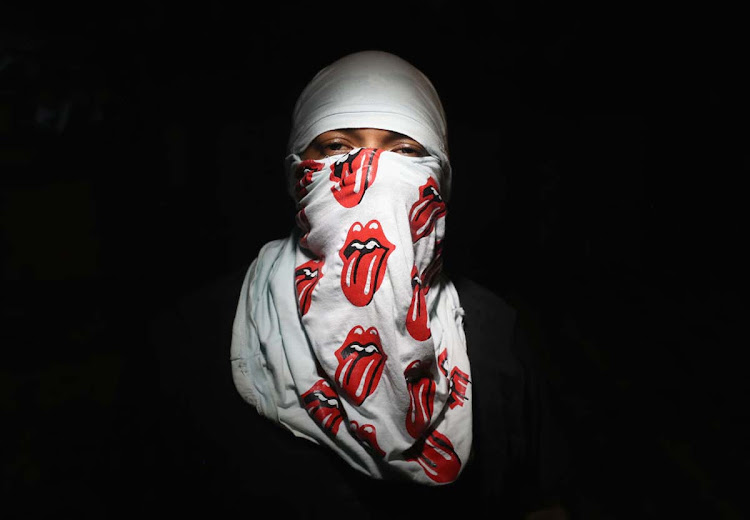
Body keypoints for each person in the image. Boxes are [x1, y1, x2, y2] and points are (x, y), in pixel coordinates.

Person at [149, 50, 573, 518]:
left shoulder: (496, 338)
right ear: (297, 173)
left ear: (440, 178)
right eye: (336, 147)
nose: (371, 169)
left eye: (406, 151)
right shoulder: (196, 336)